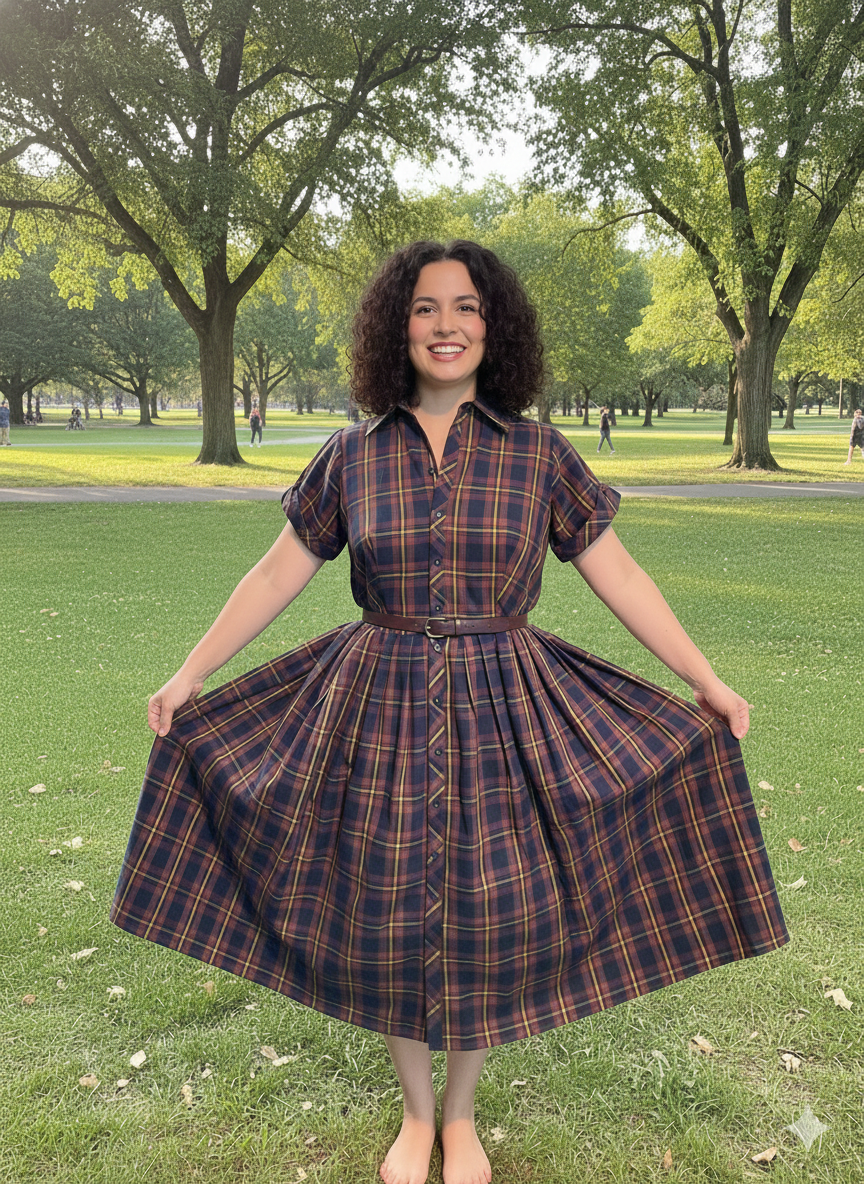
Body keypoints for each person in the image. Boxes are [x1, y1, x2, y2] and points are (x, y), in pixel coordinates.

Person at [111, 241, 788, 1184]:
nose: (445, 325)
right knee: (386, 909)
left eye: (465, 307)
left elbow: (621, 575)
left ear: (492, 326)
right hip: (375, 704)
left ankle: (461, 1117)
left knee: (486, 913)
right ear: (398, 328)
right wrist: (190, 673)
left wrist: (706, 679)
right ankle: (416, 1114)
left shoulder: (540, 454)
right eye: (425, 307)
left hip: (506, 708)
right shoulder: (351, 455)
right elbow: (274, 574)